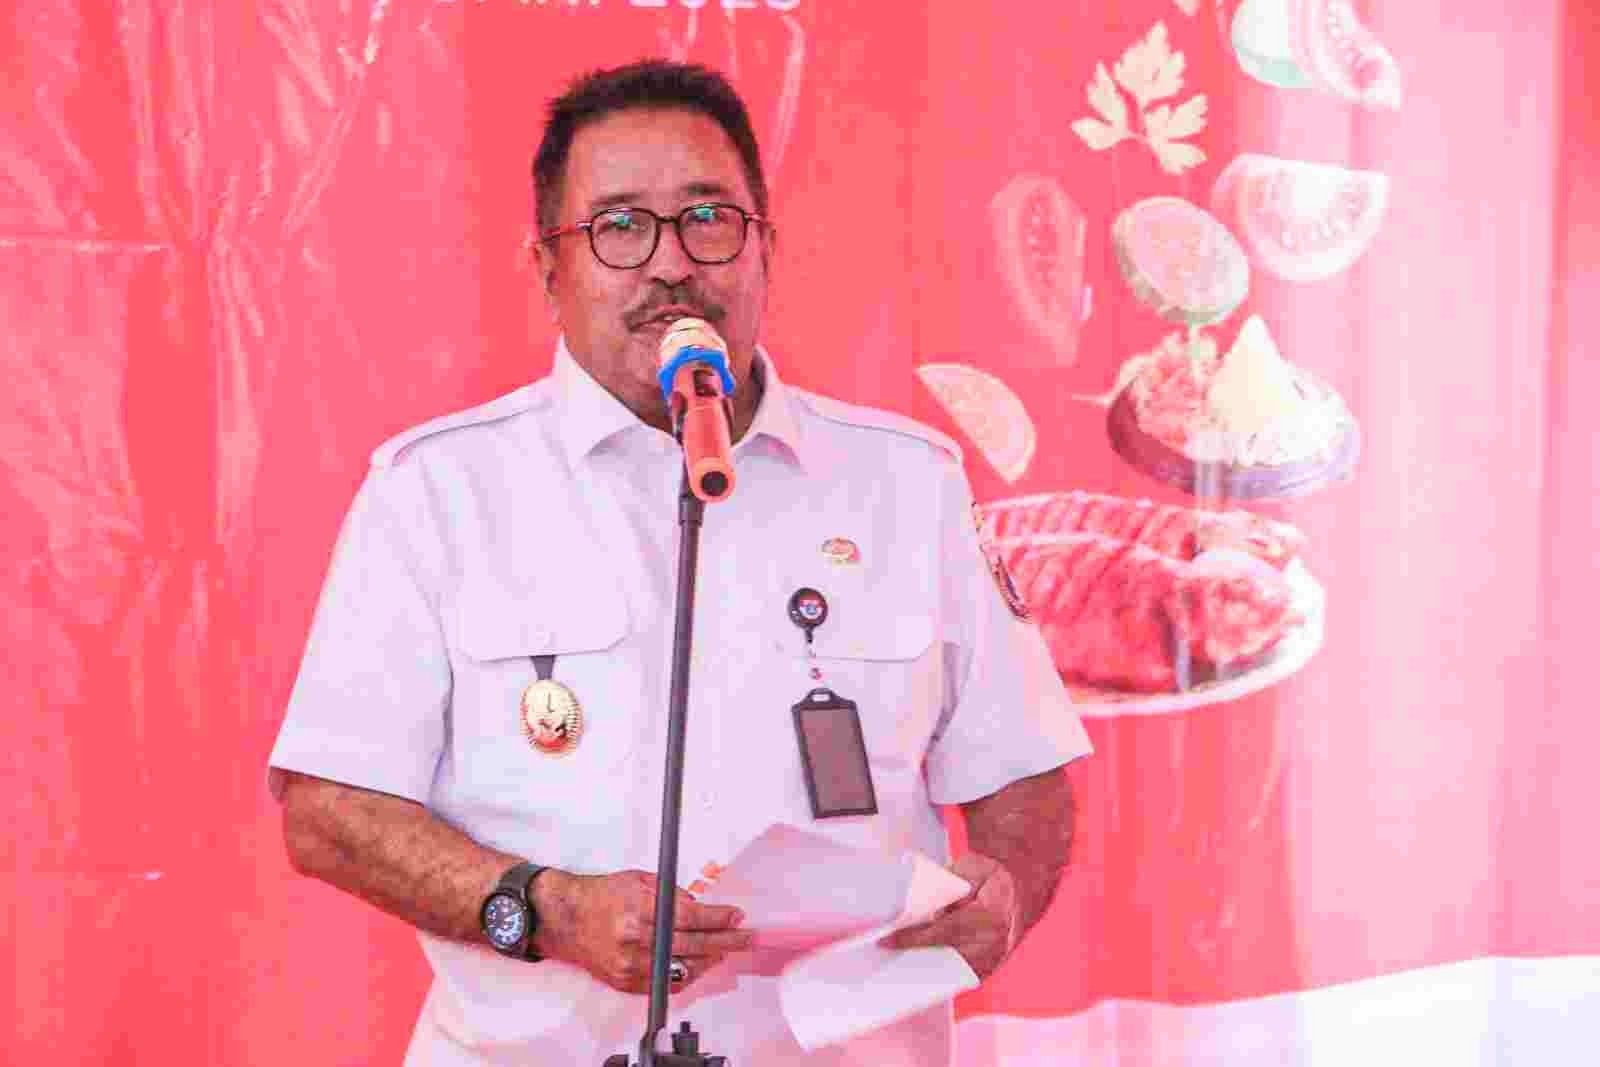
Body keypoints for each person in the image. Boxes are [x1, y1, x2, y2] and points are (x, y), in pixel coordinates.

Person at [269, 59, 1091, 1066]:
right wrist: (540, 908)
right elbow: (330, 810)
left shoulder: (907, 484)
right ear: (548, 267)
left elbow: (1023, 777)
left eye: (708, 219)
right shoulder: (437, 492)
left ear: (764, 248)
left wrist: (1006, 888)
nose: (670, 263)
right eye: (618, 226)